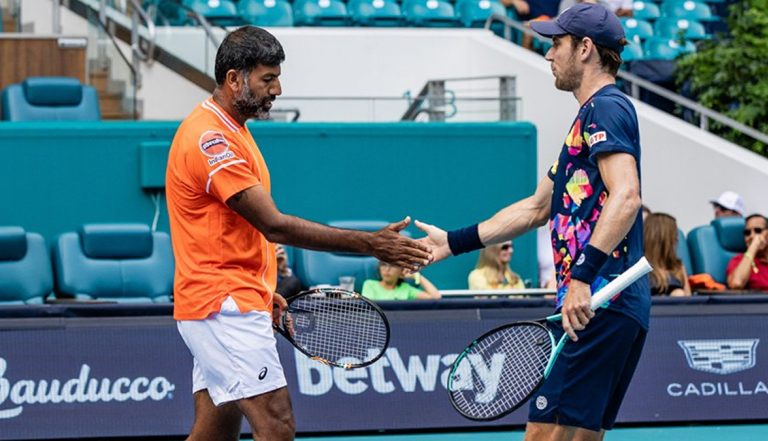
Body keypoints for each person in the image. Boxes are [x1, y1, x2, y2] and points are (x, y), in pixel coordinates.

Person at [165, 26, 431, 441]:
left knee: (214, 432)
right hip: (222, 305)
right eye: (267, 79)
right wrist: (371, 244)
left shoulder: (233, 130)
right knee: (278, 424)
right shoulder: (211, 140)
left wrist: (261, 286)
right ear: (235, 79)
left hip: (229, 298)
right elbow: (273, 223)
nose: (278, 89)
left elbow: (234, 232)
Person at [415, 5, 649, 440]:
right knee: (569, 433)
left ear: (584, 49)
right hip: (594, 302)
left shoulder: (606, 109)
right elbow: (537, 208)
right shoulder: (588, 118)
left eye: (556, 44)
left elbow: (628, 195)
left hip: (600, 299)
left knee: (548, 434)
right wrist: (454, 241)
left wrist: (582, 277)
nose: (548, 55)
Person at [726, 214, 768, 294]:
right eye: (747, 233)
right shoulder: (738, 261)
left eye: (758, 231)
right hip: (764, 304)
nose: (752, 236)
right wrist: (753, 247)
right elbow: (736, 284)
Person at [643, 213, 691, 296]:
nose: (677, 238)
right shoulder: (640, 268)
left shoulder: (678, 266)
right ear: (662, 237)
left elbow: (689, 301)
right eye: (674, 234)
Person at [361, 262, 441, 300]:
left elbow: (436, 297)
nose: (387, 270)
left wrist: (417, 276)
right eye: (383, 265)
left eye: (393, 265)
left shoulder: (406, 289)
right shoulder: (369, 285)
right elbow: (370, 310)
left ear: (401, 270)